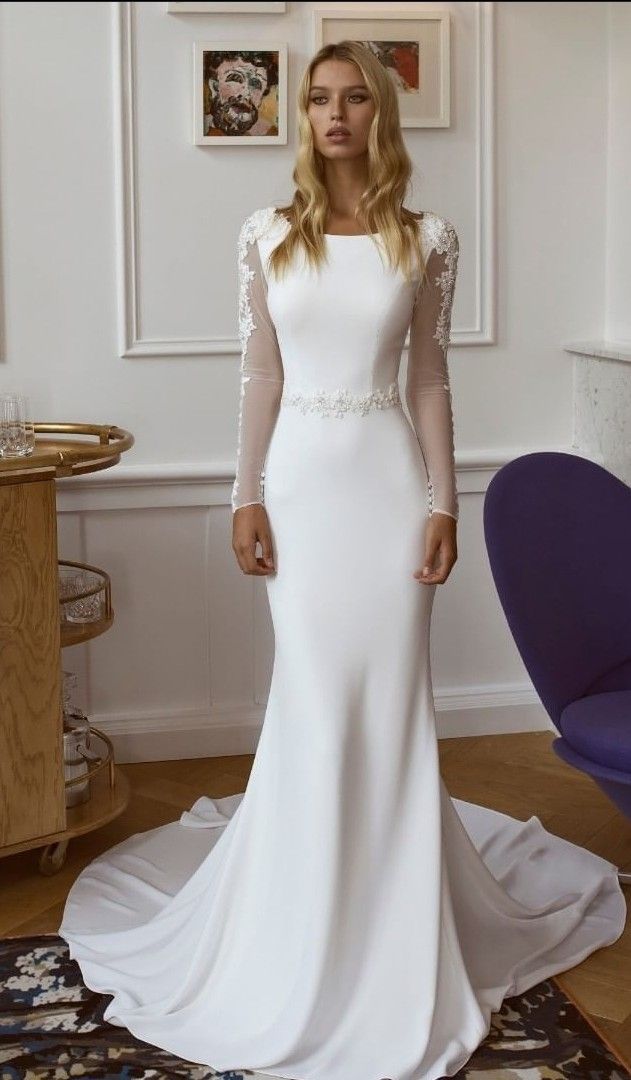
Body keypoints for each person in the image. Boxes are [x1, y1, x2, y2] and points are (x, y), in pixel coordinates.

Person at [59, 40, 626, 1080]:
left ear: (380, 113)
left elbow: (429, 386)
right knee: (315, 695)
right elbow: (259, 378)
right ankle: (303, 922)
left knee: (388, 695)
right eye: (316, 99)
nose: (332, 114)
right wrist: (244, 495)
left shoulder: (425, 239)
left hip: (383, 480)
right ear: (300, 117)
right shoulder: (267, 233)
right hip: (304, 487)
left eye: (352, 97)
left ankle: (396, 925)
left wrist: (438, 501)